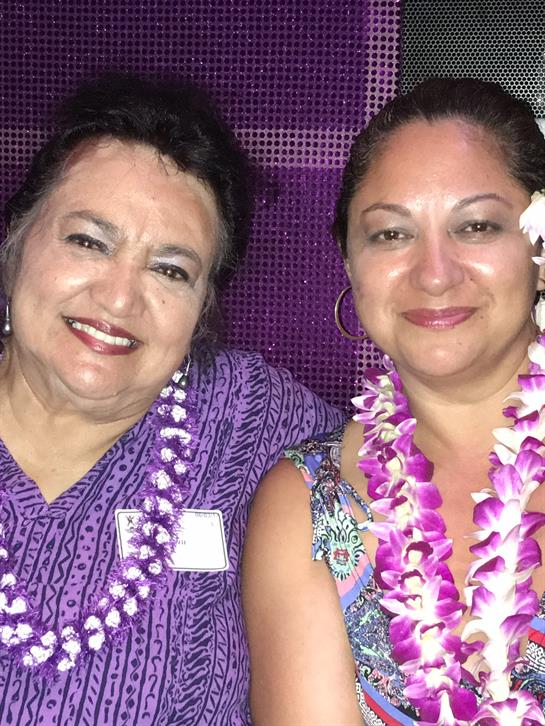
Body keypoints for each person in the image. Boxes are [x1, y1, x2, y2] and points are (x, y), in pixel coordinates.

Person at [0, 73, 343, 725]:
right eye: (88, 241)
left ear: (204, 305)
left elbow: (425, 460)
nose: (120, 298)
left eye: (170, 270)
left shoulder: (245, 416)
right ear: (16, 238)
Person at [243, 77, 545, 725]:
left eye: (476, 224)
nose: (434, 272)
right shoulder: (310, 502)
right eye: (389, 235)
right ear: (350, 267)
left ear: (539, 250)